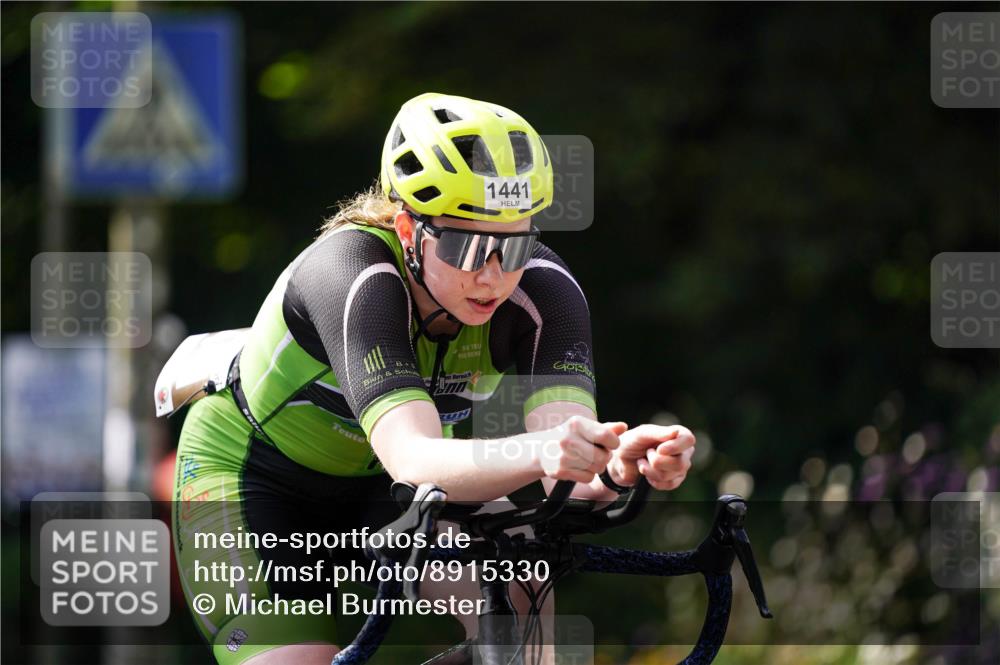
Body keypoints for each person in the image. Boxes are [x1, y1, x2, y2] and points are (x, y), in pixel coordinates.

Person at [171, 92, 696, 665]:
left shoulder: (544, 292)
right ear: (407, 228)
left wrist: (617, 464)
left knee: (521, 616)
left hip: (389, 495)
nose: (492, 275)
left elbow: (562, 462)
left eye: (515, 244)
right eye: (468, 243)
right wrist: (550, 450)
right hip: (258, 482)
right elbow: (416, 458)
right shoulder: (352, 274)